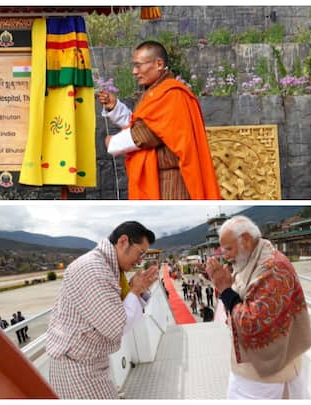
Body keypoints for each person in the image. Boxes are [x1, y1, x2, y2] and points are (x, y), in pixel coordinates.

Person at [46, 221, 160, 398]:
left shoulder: (107, 267)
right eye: (140, 253)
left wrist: (136, 290)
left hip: (86, 361)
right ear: (123, 242)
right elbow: (116, 327)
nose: (140, 260)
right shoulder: (94, 269)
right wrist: (135, 290)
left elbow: (115, 310)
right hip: (77, 366)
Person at [97, 41, 221, 200]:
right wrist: (115, 108)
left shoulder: (172, 93)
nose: (134, 71)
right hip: (156, 175)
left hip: (171, 181)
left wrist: (113, 142)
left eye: (139, 65)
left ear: (159, 64)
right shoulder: (155, 92)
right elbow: (140, 123)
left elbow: (148, 134)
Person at [205, 215, 311, 399]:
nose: (226, 255)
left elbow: (252, 324)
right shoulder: (251, 260)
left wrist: (225, 289)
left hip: (267, 376)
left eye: (229, 248)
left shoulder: (273, 268)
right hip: (260, 370)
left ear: (246, 239)